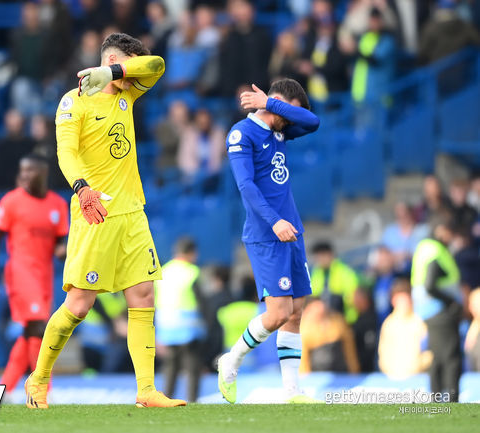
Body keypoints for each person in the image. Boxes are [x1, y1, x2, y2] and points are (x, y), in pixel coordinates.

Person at [24, 33, 185, 409]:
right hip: (93, 210)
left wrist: (114, 71)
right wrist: (81, 188)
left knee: (144, 295)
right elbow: (65, 153)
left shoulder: (126, 91)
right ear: (110, 58)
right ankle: (39, 379)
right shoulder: (73, 101)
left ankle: (146, 390)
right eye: (124, 66)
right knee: (79, 305)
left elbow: (157, 66)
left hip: (132, 213)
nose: (131, 77)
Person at [217, 78, 320, 404]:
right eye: (287, 109)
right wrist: (274, 222)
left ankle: (292, 391)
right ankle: (230, 360)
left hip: (292, 230)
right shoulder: (241, 133)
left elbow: (313, 122)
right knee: (277, 313)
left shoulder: (281, 127)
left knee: (296, 312)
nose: (291, 118)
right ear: (276, 101)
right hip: (266, 233)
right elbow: (246, 186)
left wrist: (274, 105)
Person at [0, 154, 69, 394]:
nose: (24, 175)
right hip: (20, 270)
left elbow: (61, 240)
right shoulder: (11, 201)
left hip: (44, 274)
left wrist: (62, 250)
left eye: (30, 170)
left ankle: (4, 389)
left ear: (43, 173)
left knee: (29, 332)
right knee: (39, 326)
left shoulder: (57, 205)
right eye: (22, 170)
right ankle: (42, 390)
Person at [411, 220, 462, 401]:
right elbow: (430, 285)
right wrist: (452, 303)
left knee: (438, 357)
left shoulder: (424, 248)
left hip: (429, 311)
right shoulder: (435, 251)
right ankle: (451, 398)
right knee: (451, 357)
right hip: (440, 312)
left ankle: (437, 397)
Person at [155, 237, 205, 403]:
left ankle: (167, 398)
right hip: (187, 328)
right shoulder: (192, 272)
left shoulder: (163, 271)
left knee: (170, 367)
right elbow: (201, 300)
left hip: (166, 327)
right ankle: (192, 400)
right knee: (192, 367)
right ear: (192, 253)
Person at [378, 278, 432, 379]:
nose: (404, 303)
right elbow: (383, 353)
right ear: (393, 301)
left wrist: (418, 366)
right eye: (400, 300)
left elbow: (429, 351)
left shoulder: (420, 322)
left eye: (406, 299)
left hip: (419, 377)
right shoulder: (389, 324)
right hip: (393, 379)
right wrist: (391, 370)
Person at [310, 241, 359, 324]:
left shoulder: (344, 271)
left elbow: (352, 297)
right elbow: (313, 294)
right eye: (318, 256)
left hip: (345, 320)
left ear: (330, 255)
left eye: (322, 255)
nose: (320, 259)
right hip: (322, 321)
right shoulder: (317, 272)